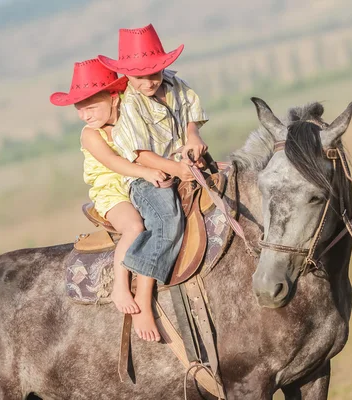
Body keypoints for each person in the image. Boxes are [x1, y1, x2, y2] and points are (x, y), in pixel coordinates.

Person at [98, 24, 209, 342]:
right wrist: (175, 167)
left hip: (184, 164)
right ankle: (144, 301)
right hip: (149, 177)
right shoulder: (130, 105)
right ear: (127, 77)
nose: (149, 82)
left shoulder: (175, 83)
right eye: (140, 77)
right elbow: (141, 155)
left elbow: (191, 117)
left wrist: (193, 138)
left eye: (154, 73)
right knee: (168, 222)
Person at [50, 58, 167, 317]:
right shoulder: (90, 134)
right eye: (80, 109)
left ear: (114, 97)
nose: (84, 115)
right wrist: (147, 171)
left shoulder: (132, 117)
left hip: (137, 181)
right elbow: (113, 162)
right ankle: (120, 287)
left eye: (91, 107)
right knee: (135, 227)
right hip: (112, 189)